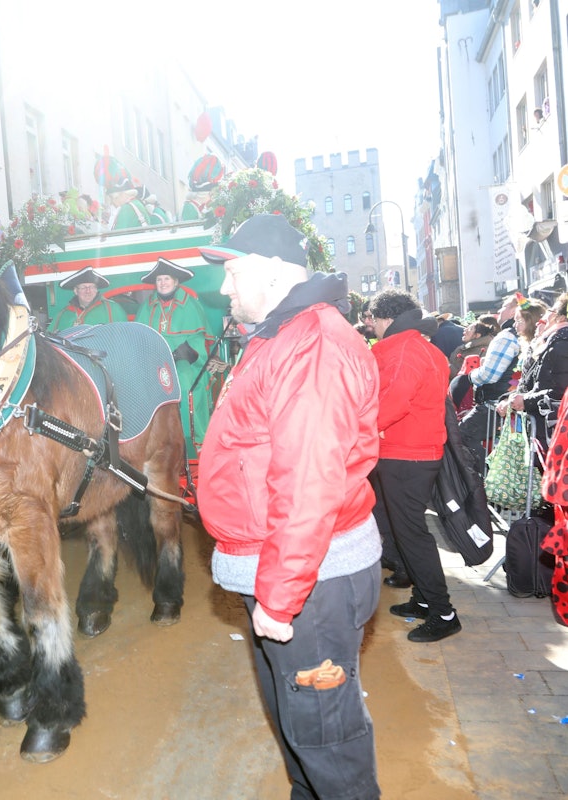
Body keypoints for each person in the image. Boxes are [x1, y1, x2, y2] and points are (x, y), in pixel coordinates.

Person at [197, 213, 381, 799]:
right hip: (296, 576)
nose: (224, 288)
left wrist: (278, 598)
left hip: (309, 585)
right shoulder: (287, 334)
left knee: (329, 743)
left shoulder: (313, 343)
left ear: (274, 272)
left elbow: (308, 486)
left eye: (233, 272)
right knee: (302, 735)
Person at [367, 289, 462, 642]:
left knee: (413, 536)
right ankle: (423, 600)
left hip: (405, 453)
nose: (373, 327)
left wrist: (354, 426)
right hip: (415, 452)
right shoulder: (422, 347)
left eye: (374, 320)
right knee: (410, 531)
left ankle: (443, 612)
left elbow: (391, 403)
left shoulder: (403, 350)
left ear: (387, 319)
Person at [139, 257, 211, 457]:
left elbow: (198, 341)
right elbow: (140, 337)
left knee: (186, 387)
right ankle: (157, 444)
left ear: (176, 282)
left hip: (184, 362)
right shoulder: (148, 306)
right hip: (155, 363)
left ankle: (191, 444)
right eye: (159, 279)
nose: (162, 283)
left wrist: (180, 353)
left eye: (167, 279)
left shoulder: (190, 304)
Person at [497, 293, 568, 452]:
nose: (548, 316)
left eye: (553, 311)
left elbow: (559, 391)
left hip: (551, 427)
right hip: (544, 424)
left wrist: (525, 400)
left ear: (560, 317)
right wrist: (510, 398)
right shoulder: (551, 343)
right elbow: (529, 382)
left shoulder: (559, 343)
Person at [457, 294, 521, 469]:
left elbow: (489, 375)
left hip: (496, 402)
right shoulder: (513, 336)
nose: (499, 310)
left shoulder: (506, 337)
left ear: (515, 311)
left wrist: (471, 376)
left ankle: (484, 480)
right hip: (507, 400)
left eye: (504, 306)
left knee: (462, 435)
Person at [50, 266, 128, 331]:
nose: (88, 291)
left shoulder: (113, 309)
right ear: (76, 291)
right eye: (83, 287)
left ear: (96, 289)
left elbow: (126, 337)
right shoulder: (63, 315)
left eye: (91, 287)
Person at [94, 155, 150, 230]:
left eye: (112, 198)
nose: (112, 202)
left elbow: (116, 237)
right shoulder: (136, 203)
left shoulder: (126, 209)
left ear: (122, 194)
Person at [448, 314, 498, 382]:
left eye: (469, 329)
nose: (465, 330)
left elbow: (465, 376)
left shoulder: (481, 351)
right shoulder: (467, 347)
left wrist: (447, 364)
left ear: (477, 335)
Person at [179, 154, 220, 221]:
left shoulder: (197, 207)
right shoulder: (189, 207)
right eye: (211, 194)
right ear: (204, 194)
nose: (212, 198)